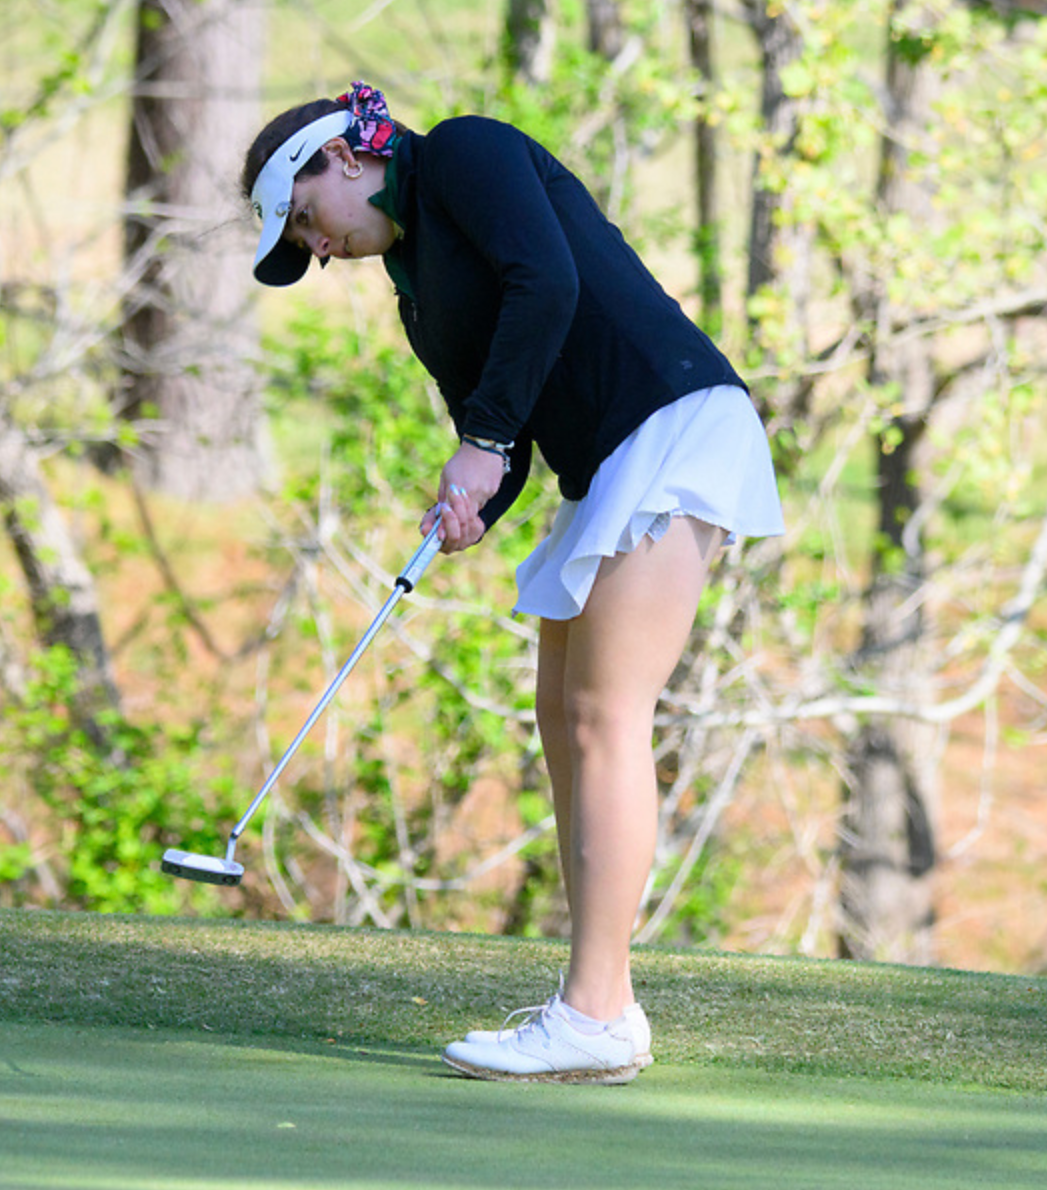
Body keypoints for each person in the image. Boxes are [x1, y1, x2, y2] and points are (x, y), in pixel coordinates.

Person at [240, 83, 785, 1084]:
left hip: (670, 420)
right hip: (604, 466)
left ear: (346, 160)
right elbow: (509, 432)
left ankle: (589, 1008)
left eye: (307, 222)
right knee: (561, 715)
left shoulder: (464, 154)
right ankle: (606, 1008)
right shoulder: (416, 291)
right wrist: (470, 504)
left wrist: (484, 442)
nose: (315, 249)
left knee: (603, 716)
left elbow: (548, 283)